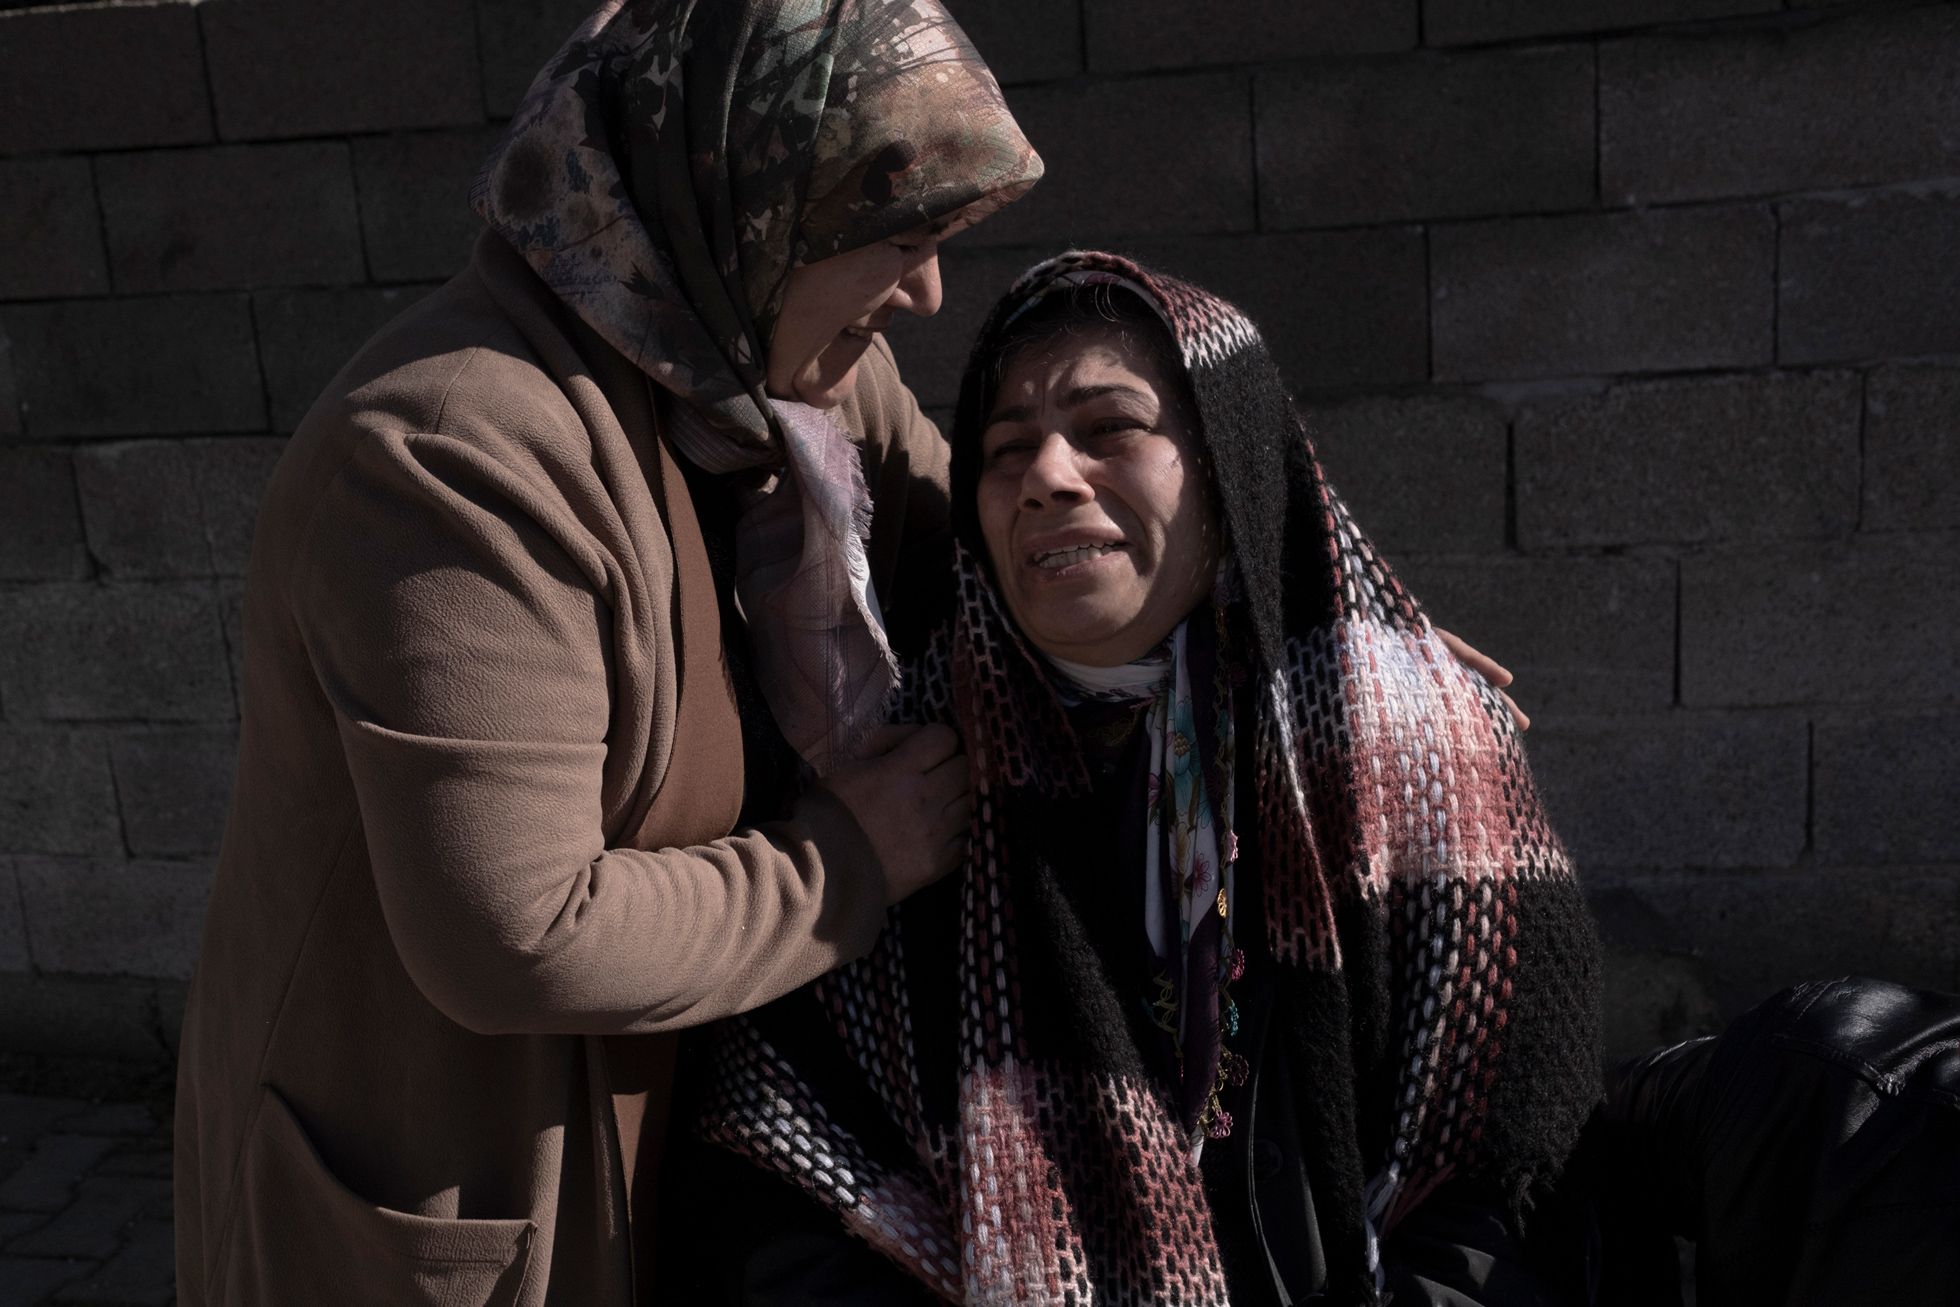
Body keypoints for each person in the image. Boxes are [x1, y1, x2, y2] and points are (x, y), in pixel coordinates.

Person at [172, 3, 1040, 1303]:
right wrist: (845, 861)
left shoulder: (786, 381)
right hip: (463, 1179)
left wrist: (1289, 619)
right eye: (897, 241)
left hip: (679, 1153)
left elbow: (998, 564)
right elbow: (513, 932)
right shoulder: (451, 457)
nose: (926, 293)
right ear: (749, 209)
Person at [688, 251, 1604, 1305]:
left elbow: (1512, 1172)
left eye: (1110, 428)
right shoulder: (904, 782)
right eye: (1006, 448)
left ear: (1227, 468)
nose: (1048, 475)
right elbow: (789, 1159)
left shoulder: (1415, 752)